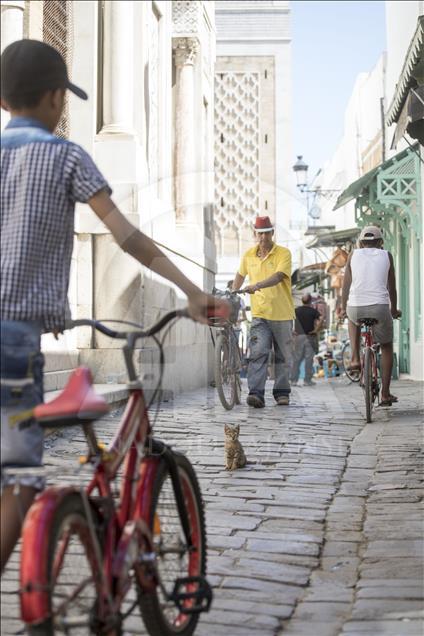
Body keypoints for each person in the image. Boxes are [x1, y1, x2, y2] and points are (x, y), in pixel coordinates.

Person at [0, 39, 228, 573]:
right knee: (21, 476)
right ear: (56, 98)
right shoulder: (66, 155)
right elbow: (128, 238)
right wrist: (193, 292)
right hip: (14, 343)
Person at [231, 216, 294, 408]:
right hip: (259, 315)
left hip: (282, 314)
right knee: (258, 353)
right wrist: (234, 292)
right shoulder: (248, 255)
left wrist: (257, 285)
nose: (263, 237)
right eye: (260, 233)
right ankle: (256, 393)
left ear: (272, 233)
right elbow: (240, 275)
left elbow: (279, 276)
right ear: (255, 234)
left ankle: (282, 392)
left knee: (283, 355)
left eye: (267, 233)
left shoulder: (284, 253)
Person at [340, 225, 401, 406]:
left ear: (361, 242)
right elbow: (392, 288)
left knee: (352, 318)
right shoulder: (387, 255)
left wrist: (344, 309)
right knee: (386, 346)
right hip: (380, 308)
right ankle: (385, 393)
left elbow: (345, 287)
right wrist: (394, 310)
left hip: (356, 308)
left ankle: (355, 358)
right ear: (380, 242)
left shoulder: (353, 256)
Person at [291, 293, 323, 386]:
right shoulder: (313, 311)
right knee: (309, 359)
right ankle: (307, 380)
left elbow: (288, 318)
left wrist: (291, 330)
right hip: (310, 336)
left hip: (298, 337)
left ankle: (293, 380)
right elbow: (321, 318)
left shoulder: (296, 310)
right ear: (310, 301)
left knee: (297, 359)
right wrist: (316, 330)